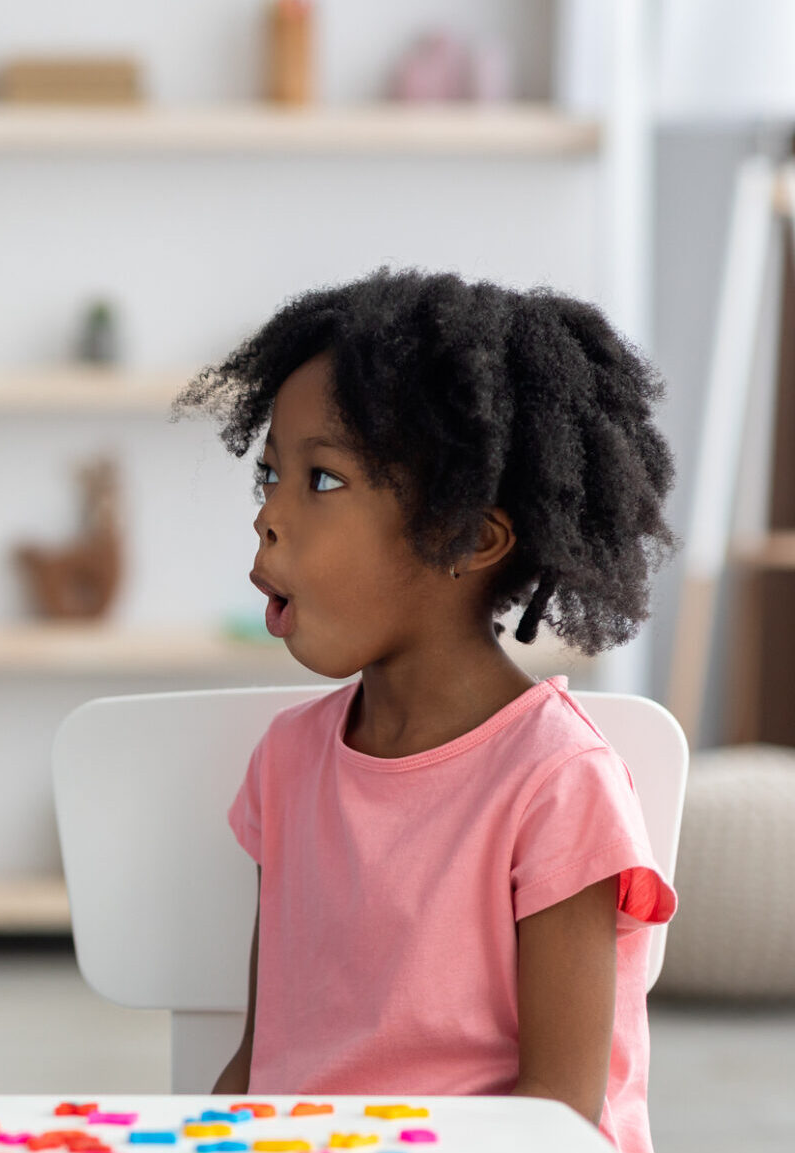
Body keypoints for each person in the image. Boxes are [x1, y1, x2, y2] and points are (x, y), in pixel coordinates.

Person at [180, 269, 678, 1153]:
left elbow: (558, 1114)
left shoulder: (558, 786)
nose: (269, 518)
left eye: (321, 481)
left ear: (469, 537)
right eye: (270, 477)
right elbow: (264, 1064)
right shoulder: (289, 761)